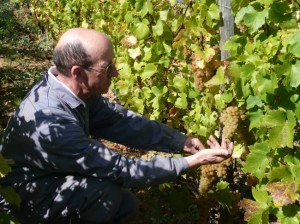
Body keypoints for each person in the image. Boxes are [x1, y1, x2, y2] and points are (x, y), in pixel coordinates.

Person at [0, 28, 233, 224]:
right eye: (107, 67)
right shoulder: (51, 123)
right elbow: (120, 169)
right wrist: (191, 162)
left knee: (125, 204)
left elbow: (122, 122)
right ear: (78, 73)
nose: (115, 73)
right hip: (23, 199)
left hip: (49, 176)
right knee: (106, 196)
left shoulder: (74, 92)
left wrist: (181, 142)